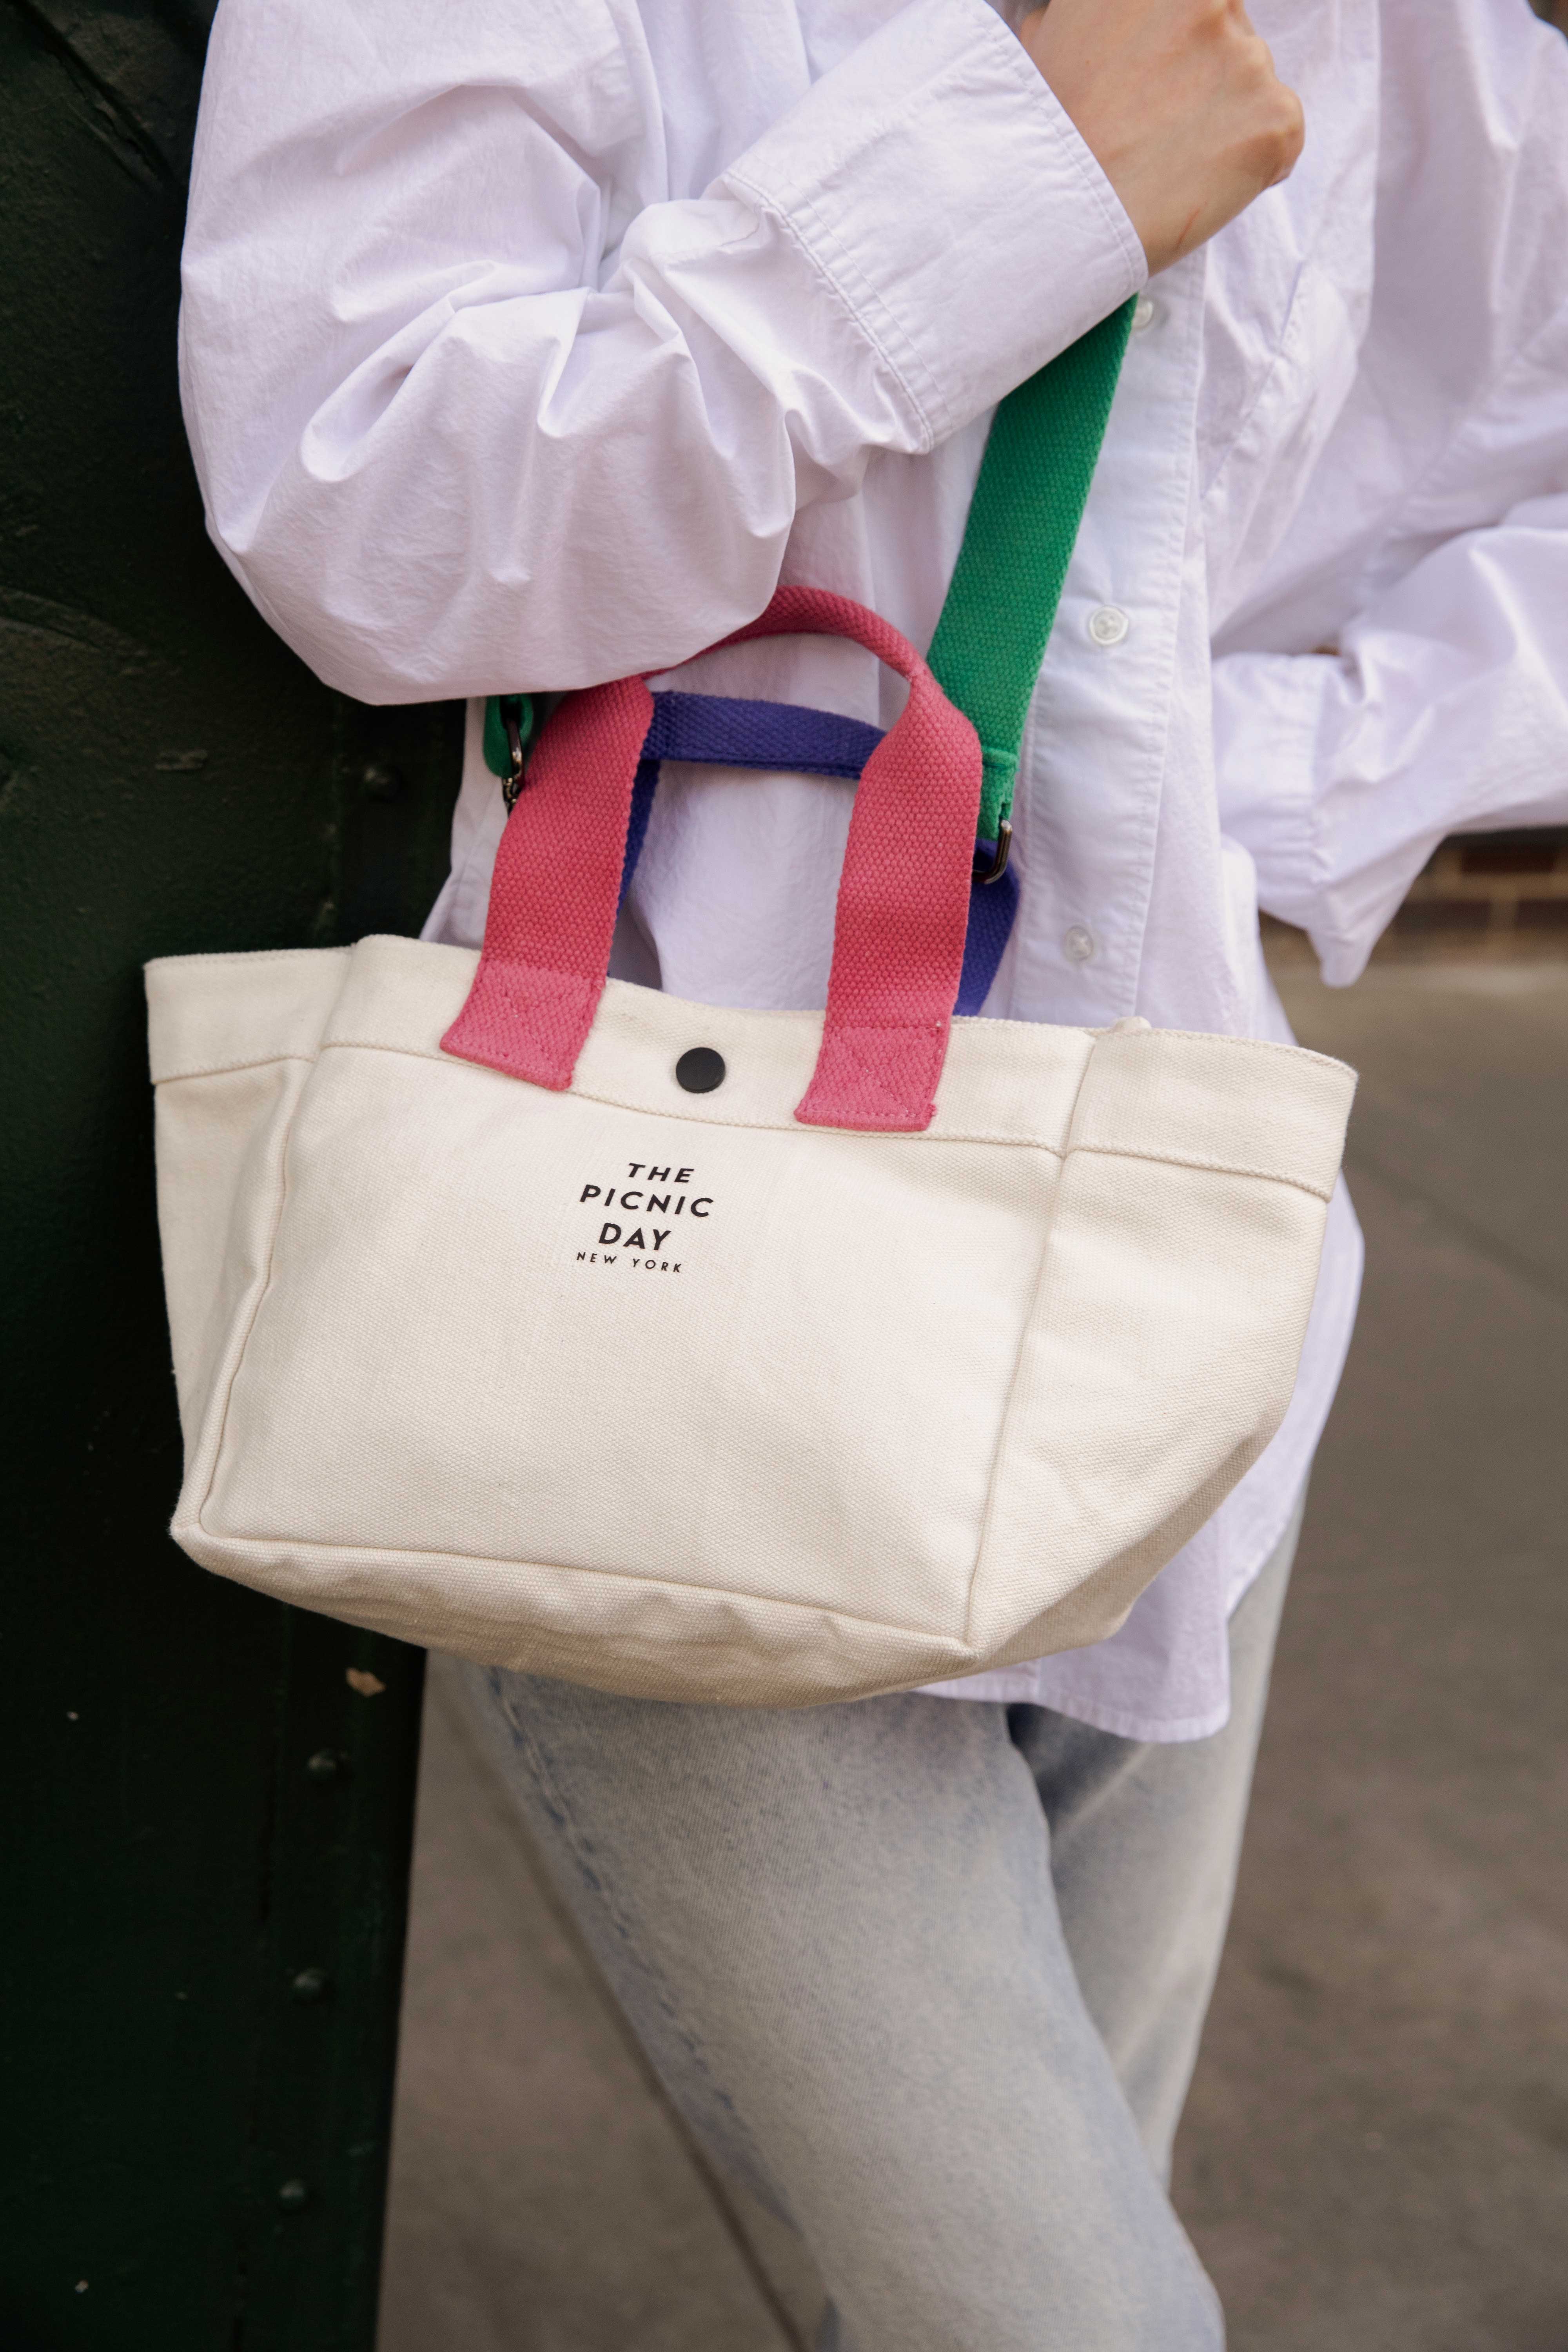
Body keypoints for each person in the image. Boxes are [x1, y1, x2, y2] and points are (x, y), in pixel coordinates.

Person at [179, 0, 1568, 2340]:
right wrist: (1016, 173)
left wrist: (1265, 783)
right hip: (647, 1316)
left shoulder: (1389, 27)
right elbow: (364, 497)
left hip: (1172, 1317)